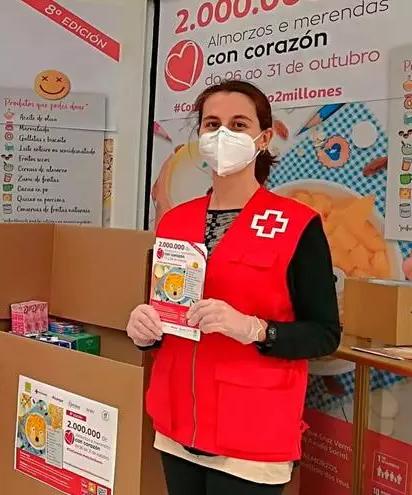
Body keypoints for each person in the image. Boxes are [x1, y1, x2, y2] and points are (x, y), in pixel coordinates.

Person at [127, 81, 341, 495]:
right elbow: (167, 311)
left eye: (238, 124)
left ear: (264, 137)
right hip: (177, 423)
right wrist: (145, 330)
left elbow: (324, 334)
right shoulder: (174, 222)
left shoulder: (296, 224)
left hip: (252, 433)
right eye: (212, 124)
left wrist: (255, 329)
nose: (223, 134)